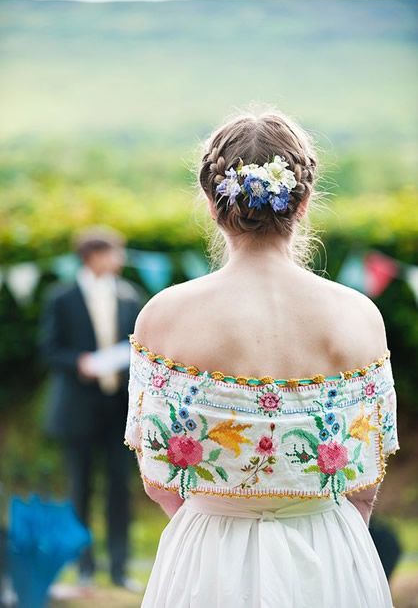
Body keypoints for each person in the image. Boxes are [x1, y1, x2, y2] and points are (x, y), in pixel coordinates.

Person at [124, 108, 400, 607]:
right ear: (305, 200)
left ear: (212, 203)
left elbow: (158, 473)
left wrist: (222, 532)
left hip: (208, 551)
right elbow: (365, 476)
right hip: (328, 546)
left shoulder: (162, 315)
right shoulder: (358, 315)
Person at [38, 226, 145, 591]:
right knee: (80, 490)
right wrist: (79, 362)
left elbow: (142, 350)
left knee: (120, 490)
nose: (120, 259)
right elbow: (49, 349)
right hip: (78, 410)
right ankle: (84, 569)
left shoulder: (131, 295)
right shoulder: (62, 297)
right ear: (92, 256)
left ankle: (119, 568)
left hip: (118, 410)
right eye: (114, 252)